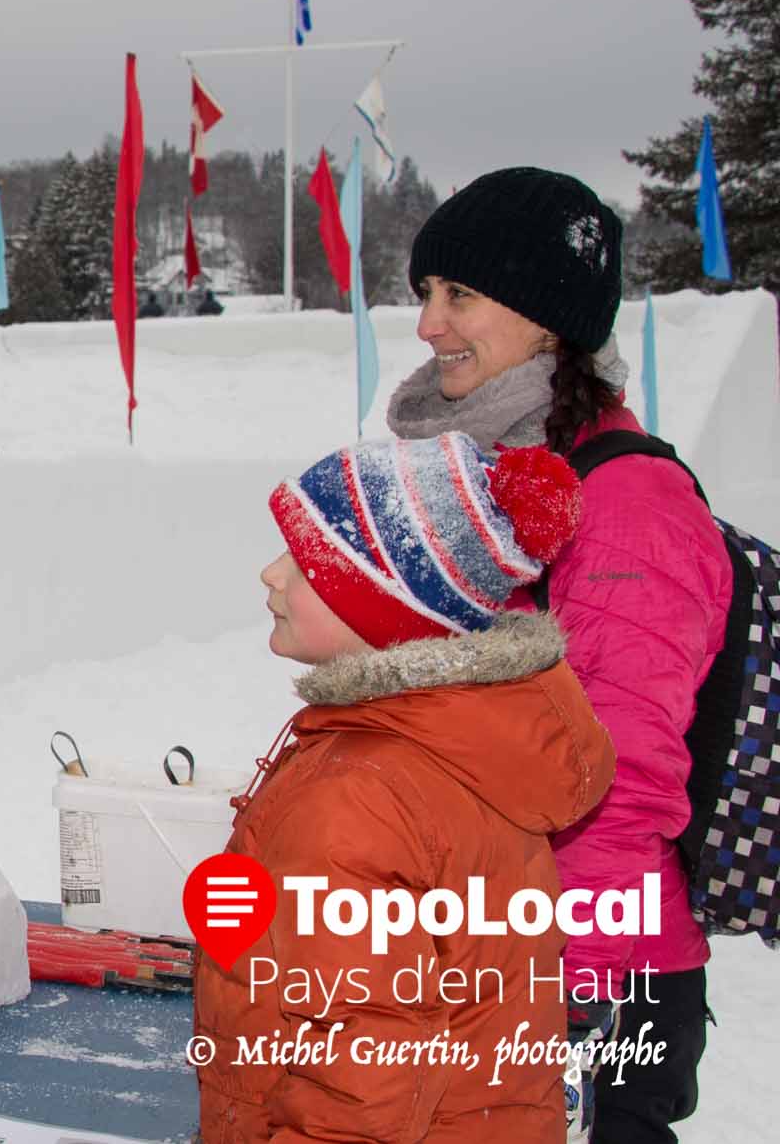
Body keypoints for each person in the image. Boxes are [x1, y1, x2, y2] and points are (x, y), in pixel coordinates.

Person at [386, 168, 729, 1142]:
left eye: (456, 295)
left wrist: (557, 1005)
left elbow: (613, 787)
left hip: (588, 974)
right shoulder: (499, 479)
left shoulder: (622, 509)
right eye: (423, 294)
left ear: (545, 318)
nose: (425, 325)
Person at [194, 433, 614, 1142]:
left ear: (385, 606)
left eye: (304, 559)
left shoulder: (358, 797)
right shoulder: (463, 739)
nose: (271, 573)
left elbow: (360, 1087)